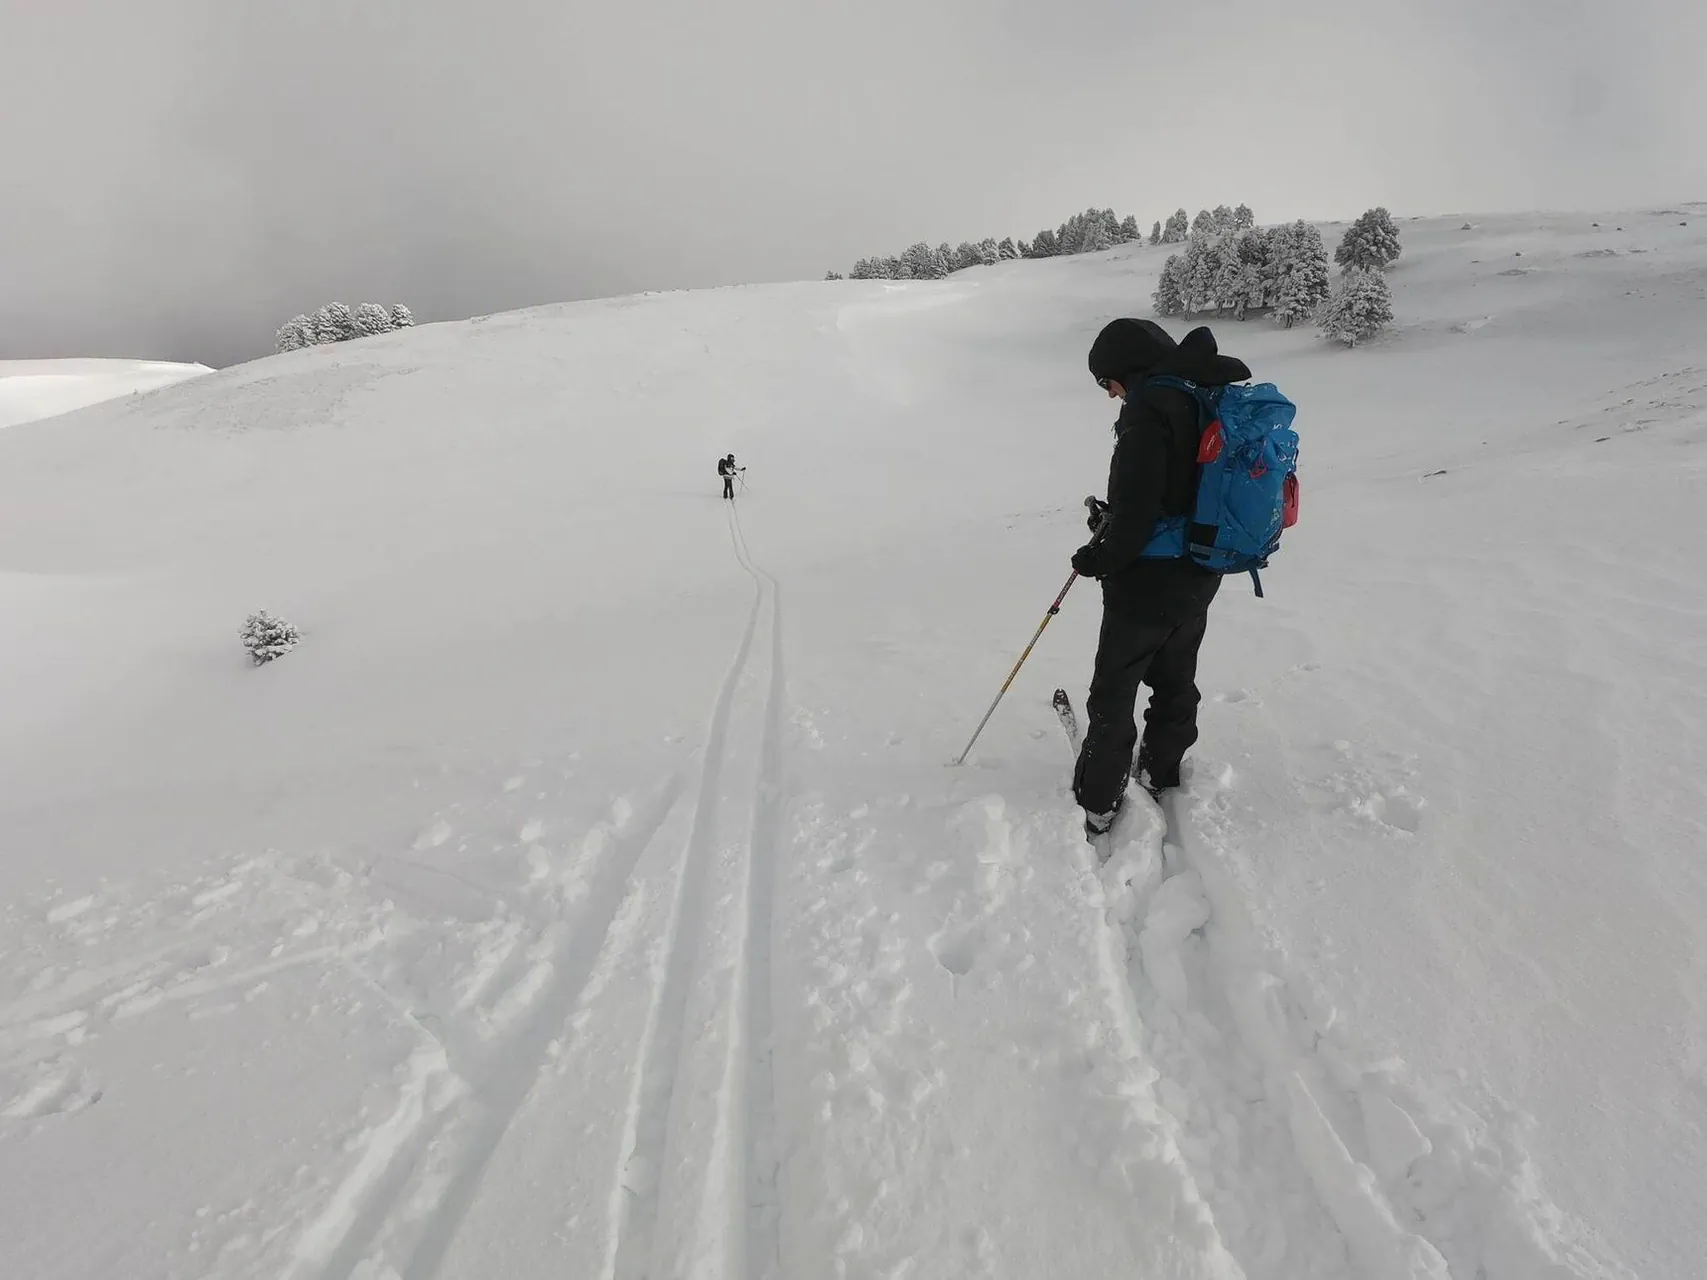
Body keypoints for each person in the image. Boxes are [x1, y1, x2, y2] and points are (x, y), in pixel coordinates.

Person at [1068, 319, 1251, 838]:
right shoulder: (1199, 394)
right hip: (1200, 567)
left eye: (1107, 382)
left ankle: (1098, 800)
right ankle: (1161, 770)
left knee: (1115, 688)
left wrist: (1096, 557)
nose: (1110, 394)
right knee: (1174, 676)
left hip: (1148, 580)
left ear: (1127, 370)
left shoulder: (1148, 410)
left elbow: (1140, 509)